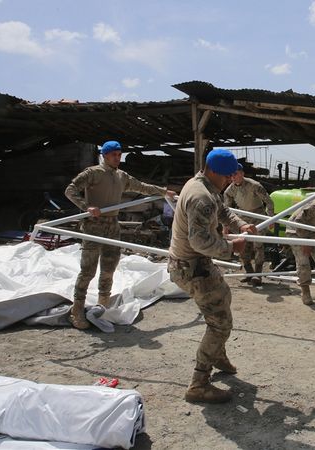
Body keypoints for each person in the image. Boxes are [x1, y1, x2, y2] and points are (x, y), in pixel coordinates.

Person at [167, 148, 257, 403]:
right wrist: (232, 247)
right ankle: (198, 384)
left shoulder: (203, 185)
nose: (230, 180)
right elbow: (199, 241)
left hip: (195, 264)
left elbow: (222, 210)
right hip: (192, 267)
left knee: (223, 300)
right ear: (214, 171)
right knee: (220, 323)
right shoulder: (201, 197)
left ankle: (216, 354)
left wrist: (241, 224)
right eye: (228, 176)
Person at [64, 140, 175, 330]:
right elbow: (70, 190)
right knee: (88, 269)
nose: (118, 158)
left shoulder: (121, 176)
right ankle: (77, 310)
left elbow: (141, 187)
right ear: (105, 155)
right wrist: (86, 207)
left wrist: (163, 192)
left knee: (109, 267)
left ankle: (102, 307)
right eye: (114, 154)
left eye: (119, 154)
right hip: (93, 225)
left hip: (112, 225)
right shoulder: (93, 173)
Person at [223, 164, 275, 286]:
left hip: (258, 216)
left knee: (258, 245)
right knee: (242, 245)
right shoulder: (229, 190)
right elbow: (226, 209)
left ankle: (257, 275)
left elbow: (269, 202)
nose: (233, 177)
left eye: (235, 174)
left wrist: (271, 218)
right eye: (231, 175)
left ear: (242, 173)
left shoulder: (254, 185)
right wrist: (226, 225)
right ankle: (249, 272)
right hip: (243, 217)